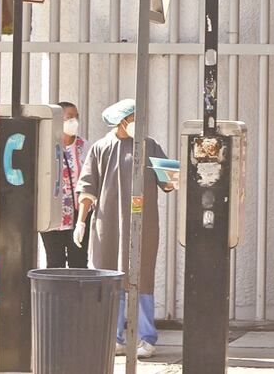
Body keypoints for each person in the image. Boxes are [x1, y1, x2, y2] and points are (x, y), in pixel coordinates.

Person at [75, 98, 174, 360]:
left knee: (142, 279)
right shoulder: (100, 148)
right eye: (134, 119)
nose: (138, 123)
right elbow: (87, 188)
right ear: (122, 121)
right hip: (107, 225)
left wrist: (179, 171)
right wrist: (81, 221)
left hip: (143, 225)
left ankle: (146, 338)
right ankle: (114, 337)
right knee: (110, 279)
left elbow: (169, 182)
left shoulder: (150, 145)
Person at [39, 101, 90, 268]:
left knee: (79, 261)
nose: (74, 121)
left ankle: (77, 287)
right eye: (69, 117)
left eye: (76, 117)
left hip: (79, 215)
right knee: (55, 261)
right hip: (52, 214)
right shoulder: (45, 146)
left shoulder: (85, 147)